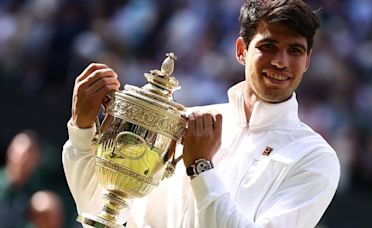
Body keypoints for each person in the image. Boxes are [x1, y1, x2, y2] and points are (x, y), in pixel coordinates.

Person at [63, 0, 340, 227]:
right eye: (268, 46)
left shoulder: (315, 157)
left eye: (295, 51)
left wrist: (200, 169)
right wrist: (82, 128)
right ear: (241, 50)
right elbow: (102, 209)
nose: (281, 62)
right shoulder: (185, 121)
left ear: (307, 60)